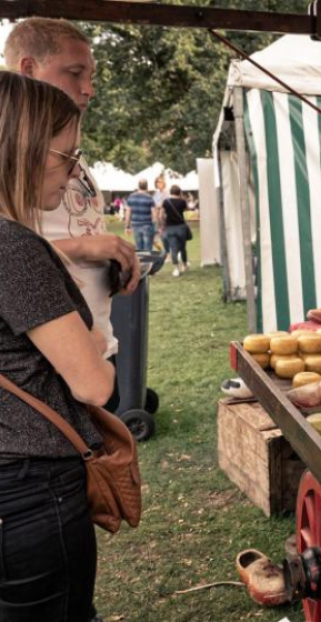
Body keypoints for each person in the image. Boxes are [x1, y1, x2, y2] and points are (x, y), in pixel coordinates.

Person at [0, 71, 114, 622]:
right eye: (67, 156)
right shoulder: (15, 248)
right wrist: (91, 332)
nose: (74, 172)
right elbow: (93, 382)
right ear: (20, 150)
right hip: (29, 485)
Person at [4, 17, 140, 413]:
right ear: (28, 69)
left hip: (91, 344)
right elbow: (16, 257)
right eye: (75, 72)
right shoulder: (14, 228)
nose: (89, 89)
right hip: (52, 371)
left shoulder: (74, 172)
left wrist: (110, 261)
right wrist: (79, 247)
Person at [160, 184, 191, 277]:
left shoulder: (165, 202)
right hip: (181, 227)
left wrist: (163, 225)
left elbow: (160, 215)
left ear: (170, 192)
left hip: (170, 227)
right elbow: (188, 209)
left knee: (173, 248)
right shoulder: (182, 201)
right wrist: (181, 197)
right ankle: (185, 265)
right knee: (182, 248)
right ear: (179, 192)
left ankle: (176, 269)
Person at [124, 179, 157, 252]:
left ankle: (141, 262)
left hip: (135, 225)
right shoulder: (149, 197)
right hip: (147, 225)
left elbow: (128, 212)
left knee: (139, 247)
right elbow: (154, 214)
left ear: (138, 186)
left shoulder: (131, 197)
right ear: (147, 186)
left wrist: (127, 226)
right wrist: (154, 227)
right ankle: (147, 262)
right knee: (148, 247)